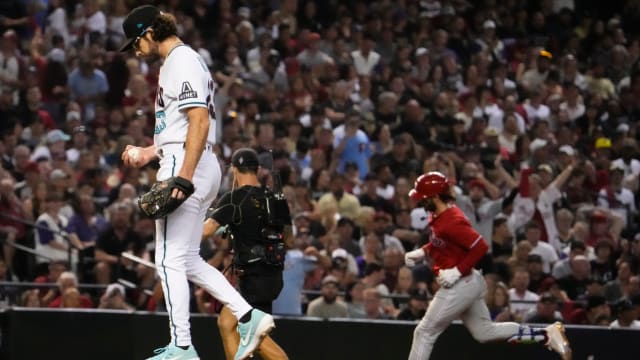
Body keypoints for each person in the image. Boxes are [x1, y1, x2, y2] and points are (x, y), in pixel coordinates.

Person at [118, 6, 272, 360]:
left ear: (149, 33)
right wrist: (147, 152)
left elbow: (199, 121)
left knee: (168, 261)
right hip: (192, 158)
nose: (136, 50)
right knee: (185, 258)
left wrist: (182, 178)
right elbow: (182, 128)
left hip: (188, 163)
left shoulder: (180, 60)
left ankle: (182, 346)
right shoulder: (181, 61)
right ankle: (249, 316)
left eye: (136, 42)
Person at [403, 171, 571, 360]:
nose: (419, 202)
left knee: (424, 332)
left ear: (434, 197)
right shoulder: (441, 214)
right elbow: (443, 242)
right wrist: (423, 251)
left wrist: (456, 272)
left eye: (423, 198)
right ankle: (548, 334)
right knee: (484, 332)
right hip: (469, 280)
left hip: (460, 282)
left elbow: (480, 246)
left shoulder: (451, 220)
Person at [202, 148, 289, 360]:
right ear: (257, 169)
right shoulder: (276, 198)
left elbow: (206, 231)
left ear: (234, 169)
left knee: (254, 333)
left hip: (252, 277)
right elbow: (288, 237)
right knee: (228, 323)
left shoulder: (235, 198)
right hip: (272, 275)